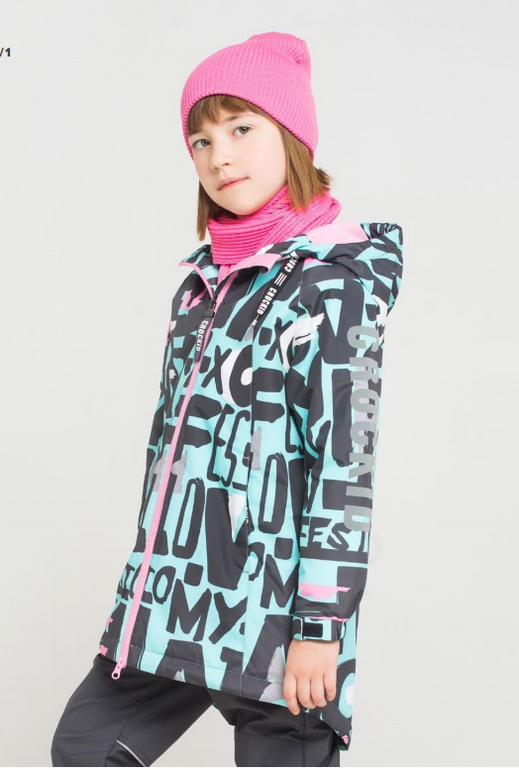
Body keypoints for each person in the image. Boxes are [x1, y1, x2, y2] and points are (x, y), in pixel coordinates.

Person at [51, 31, 403, 767]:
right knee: (85, 750)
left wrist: (320, 628)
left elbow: (345, 467)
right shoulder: (199, 288)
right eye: (201, 140)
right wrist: (140, 585)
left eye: (242, 129)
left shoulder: (333, 287)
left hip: (278, 617)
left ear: (292, 136)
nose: (220, 157)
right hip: (177, 600)